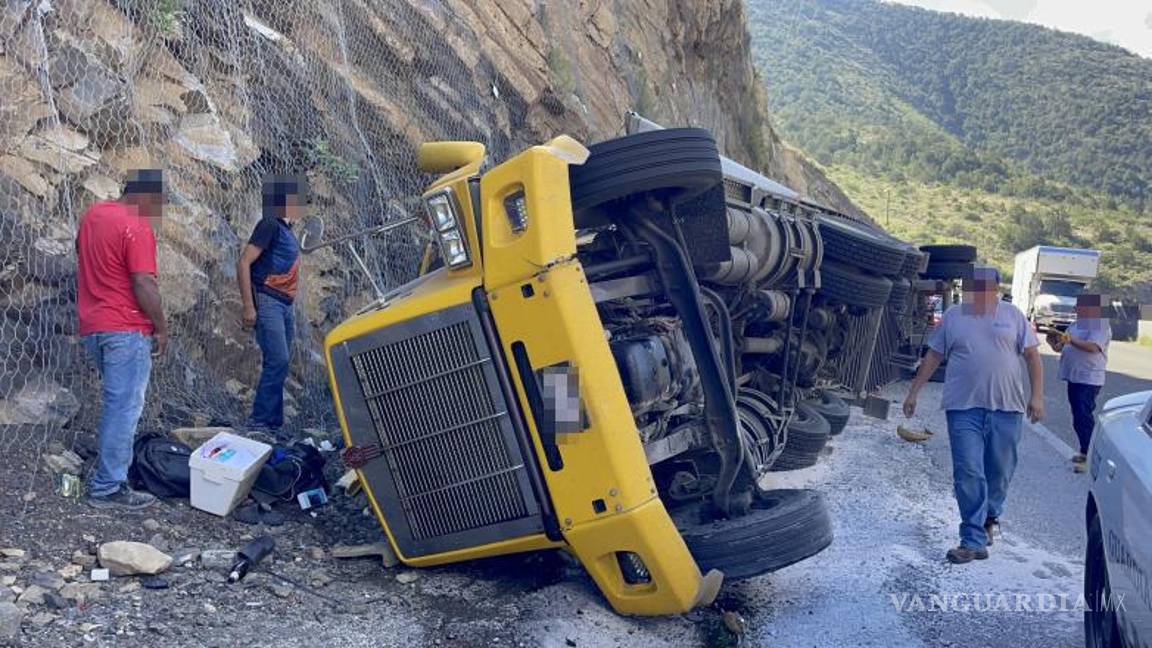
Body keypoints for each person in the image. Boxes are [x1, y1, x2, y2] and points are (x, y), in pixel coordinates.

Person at [903, 266, 1044, 564]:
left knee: (1000, 471)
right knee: (968, 470)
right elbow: (934, 356)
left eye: (982, 289)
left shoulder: (1013, 316)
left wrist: (1037, 396)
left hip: (1007, 407)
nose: (977, 295)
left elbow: (1032, 356)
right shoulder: (954, 316)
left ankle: (990, 516)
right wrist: (914, 392)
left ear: (995, 289)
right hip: (963, 407)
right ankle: (972, 538)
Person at [76, 169, 167, 509]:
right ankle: (108, 486)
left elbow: (82, 256)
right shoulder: (136, 224)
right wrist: (161, 327)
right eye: (157, 202)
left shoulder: (93, 215)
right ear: (146, 196)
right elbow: (143, 284)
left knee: (117, 403)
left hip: (94, 326)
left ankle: (108, 474)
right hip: (125, 328)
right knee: (124, 407)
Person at [236, 175, 307, 440]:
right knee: (277, 359)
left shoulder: (286, 230)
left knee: (280, 361)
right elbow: (244, 262)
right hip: (268, 300)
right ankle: (260, 422)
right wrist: (248, 306)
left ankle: (273, 423)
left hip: (284, 304)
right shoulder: (270, 225)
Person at [1047, 294, 1111, 473]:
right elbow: (1066, 346)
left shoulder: (1100, 324)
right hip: (1074, 376)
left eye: (1079, 307)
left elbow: (1093, 347)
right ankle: (1085, 451)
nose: (1075, 310)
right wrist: (1056, 344)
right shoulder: (1075, 325)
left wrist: (1069, 340)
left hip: (1089, 379)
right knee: (1078, 417)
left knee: (1083, 417)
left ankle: (1090, 457)